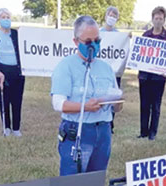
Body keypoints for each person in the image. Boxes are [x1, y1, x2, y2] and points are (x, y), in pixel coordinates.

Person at [51, 15, 123, 176]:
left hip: (103, 131)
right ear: (76, 42)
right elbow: (58, 103)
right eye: (88, 42)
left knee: (95, 178)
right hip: (77, 130)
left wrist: (117, 103)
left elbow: (116, 103)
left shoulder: (106, 68)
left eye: (97, 41)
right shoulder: (65, 66)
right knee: (74, 180)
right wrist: (85, 107)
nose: (94, 46)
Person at [0, 8, 25, 137]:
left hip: (17, 72)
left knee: (17, 100)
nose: (6, 19)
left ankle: (16, 128)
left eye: (8, 16)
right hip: (2, 72)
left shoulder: (16, 34)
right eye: (3, 17)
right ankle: (6, 127)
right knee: (4, 100)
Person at [138, 6, 166, 140]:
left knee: (156, 106)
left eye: (161, 18)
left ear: (164, 20)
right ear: (152, 19)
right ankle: (143, 131)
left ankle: (153, 132)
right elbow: (139, 53)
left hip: (159, 78)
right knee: (144, 105)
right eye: (156, 18)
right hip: (144, 77)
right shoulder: (145, 35)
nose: (158, 21)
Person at [100, 6, 123, 134]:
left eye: (114, 16)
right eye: (110, 14)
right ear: (105, 16)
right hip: (100, 72)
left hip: (114, 72)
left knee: (114, 98)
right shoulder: (98, 32)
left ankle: (110, 123)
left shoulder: (119, 36)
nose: (112, 17)